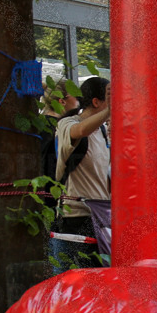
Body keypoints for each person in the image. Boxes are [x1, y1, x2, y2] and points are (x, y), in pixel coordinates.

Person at [52, 76, 111, 272]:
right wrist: (110, 111)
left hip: (102, 219)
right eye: (109, 100)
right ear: (96, 102)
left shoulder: (103, 131)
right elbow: (80, 130)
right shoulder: (67, 123)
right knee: (83, 281)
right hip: (78, 219)